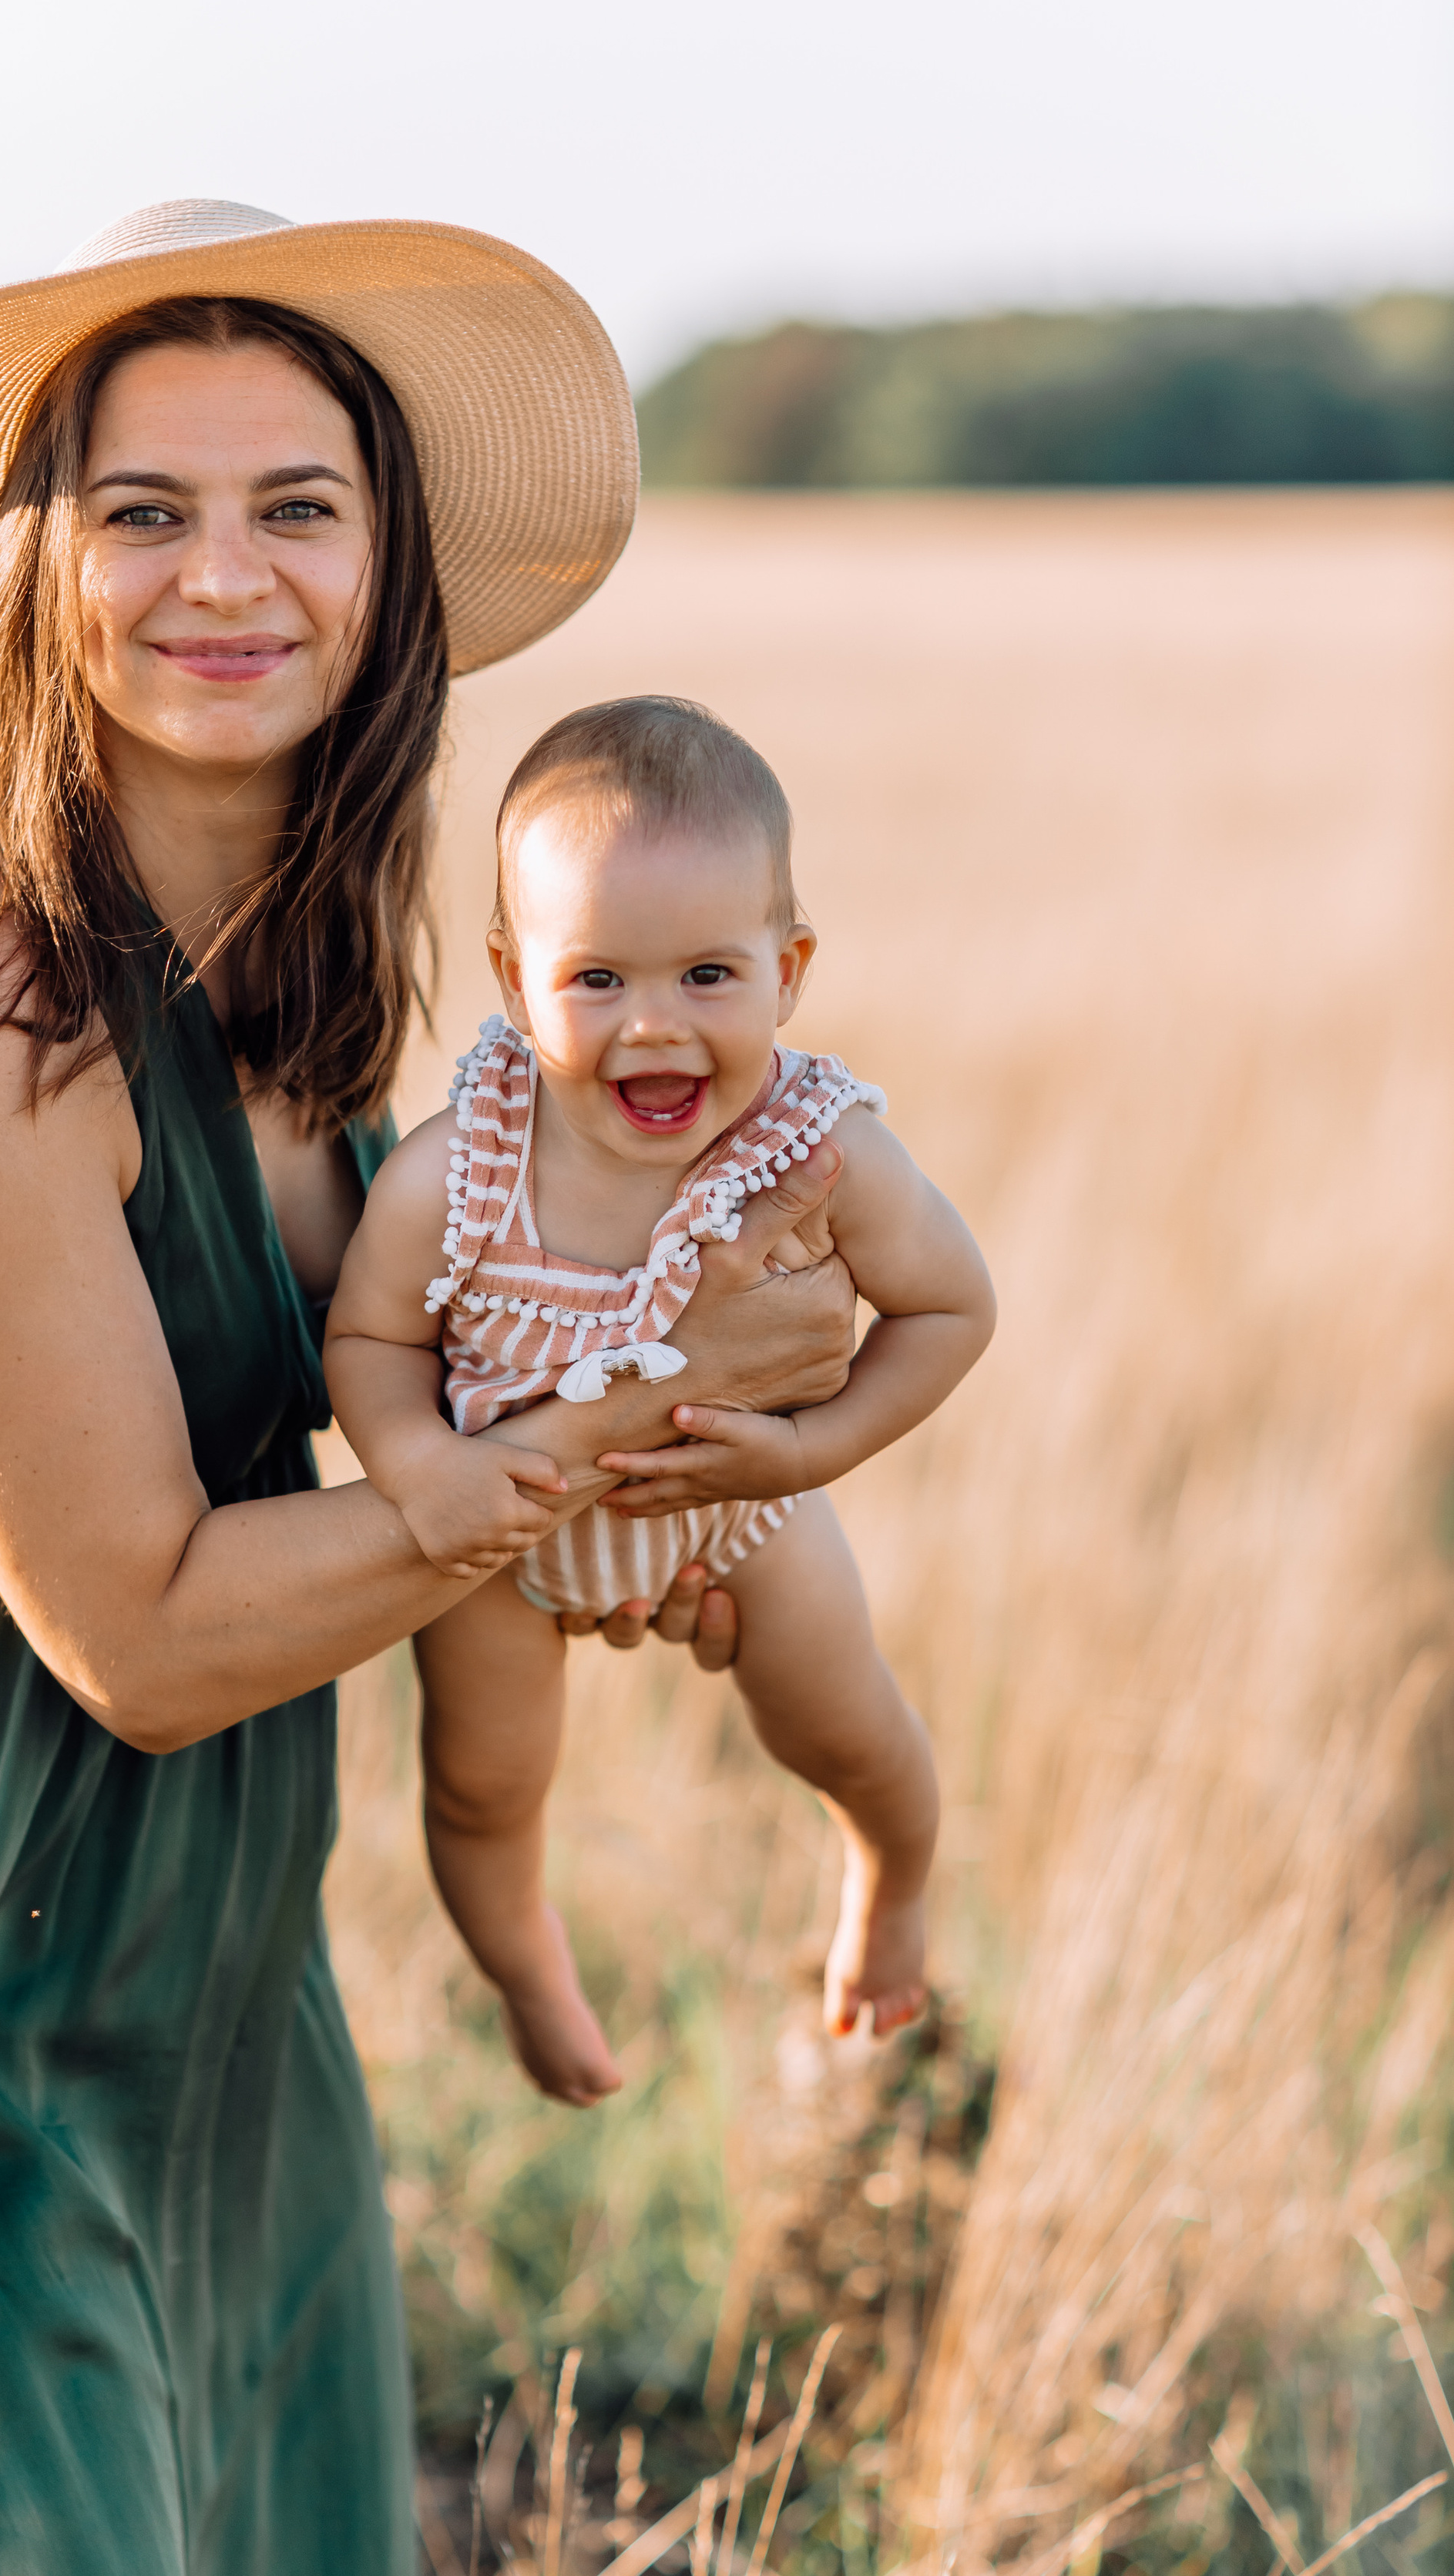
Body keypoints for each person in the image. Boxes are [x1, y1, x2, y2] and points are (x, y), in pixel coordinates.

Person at [0, 202, 863, 2576]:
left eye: (297, 505)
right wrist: (614, 1430)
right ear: (36, 569)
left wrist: (648, 1529)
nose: (227, 576)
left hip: (207, 1952)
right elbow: (154, 1635)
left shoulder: (322, 1012)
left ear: (386, 570)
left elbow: (442, 1485)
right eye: (141, 510)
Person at [326, 696, 996, 2108]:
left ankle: (890, 1878)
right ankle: (525, 1968)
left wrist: (806, 1449)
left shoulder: (820, 1153)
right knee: (481, 1791)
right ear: (515, 981)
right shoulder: (457, 1170)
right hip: (497, 1533)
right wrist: (409, 1461)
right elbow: (375, 1340)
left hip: (742, 1508)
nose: (655, 1029)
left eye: (707, 976)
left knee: (845, 1726)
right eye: (598, 982)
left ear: (789, 968)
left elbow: (953, 1307)